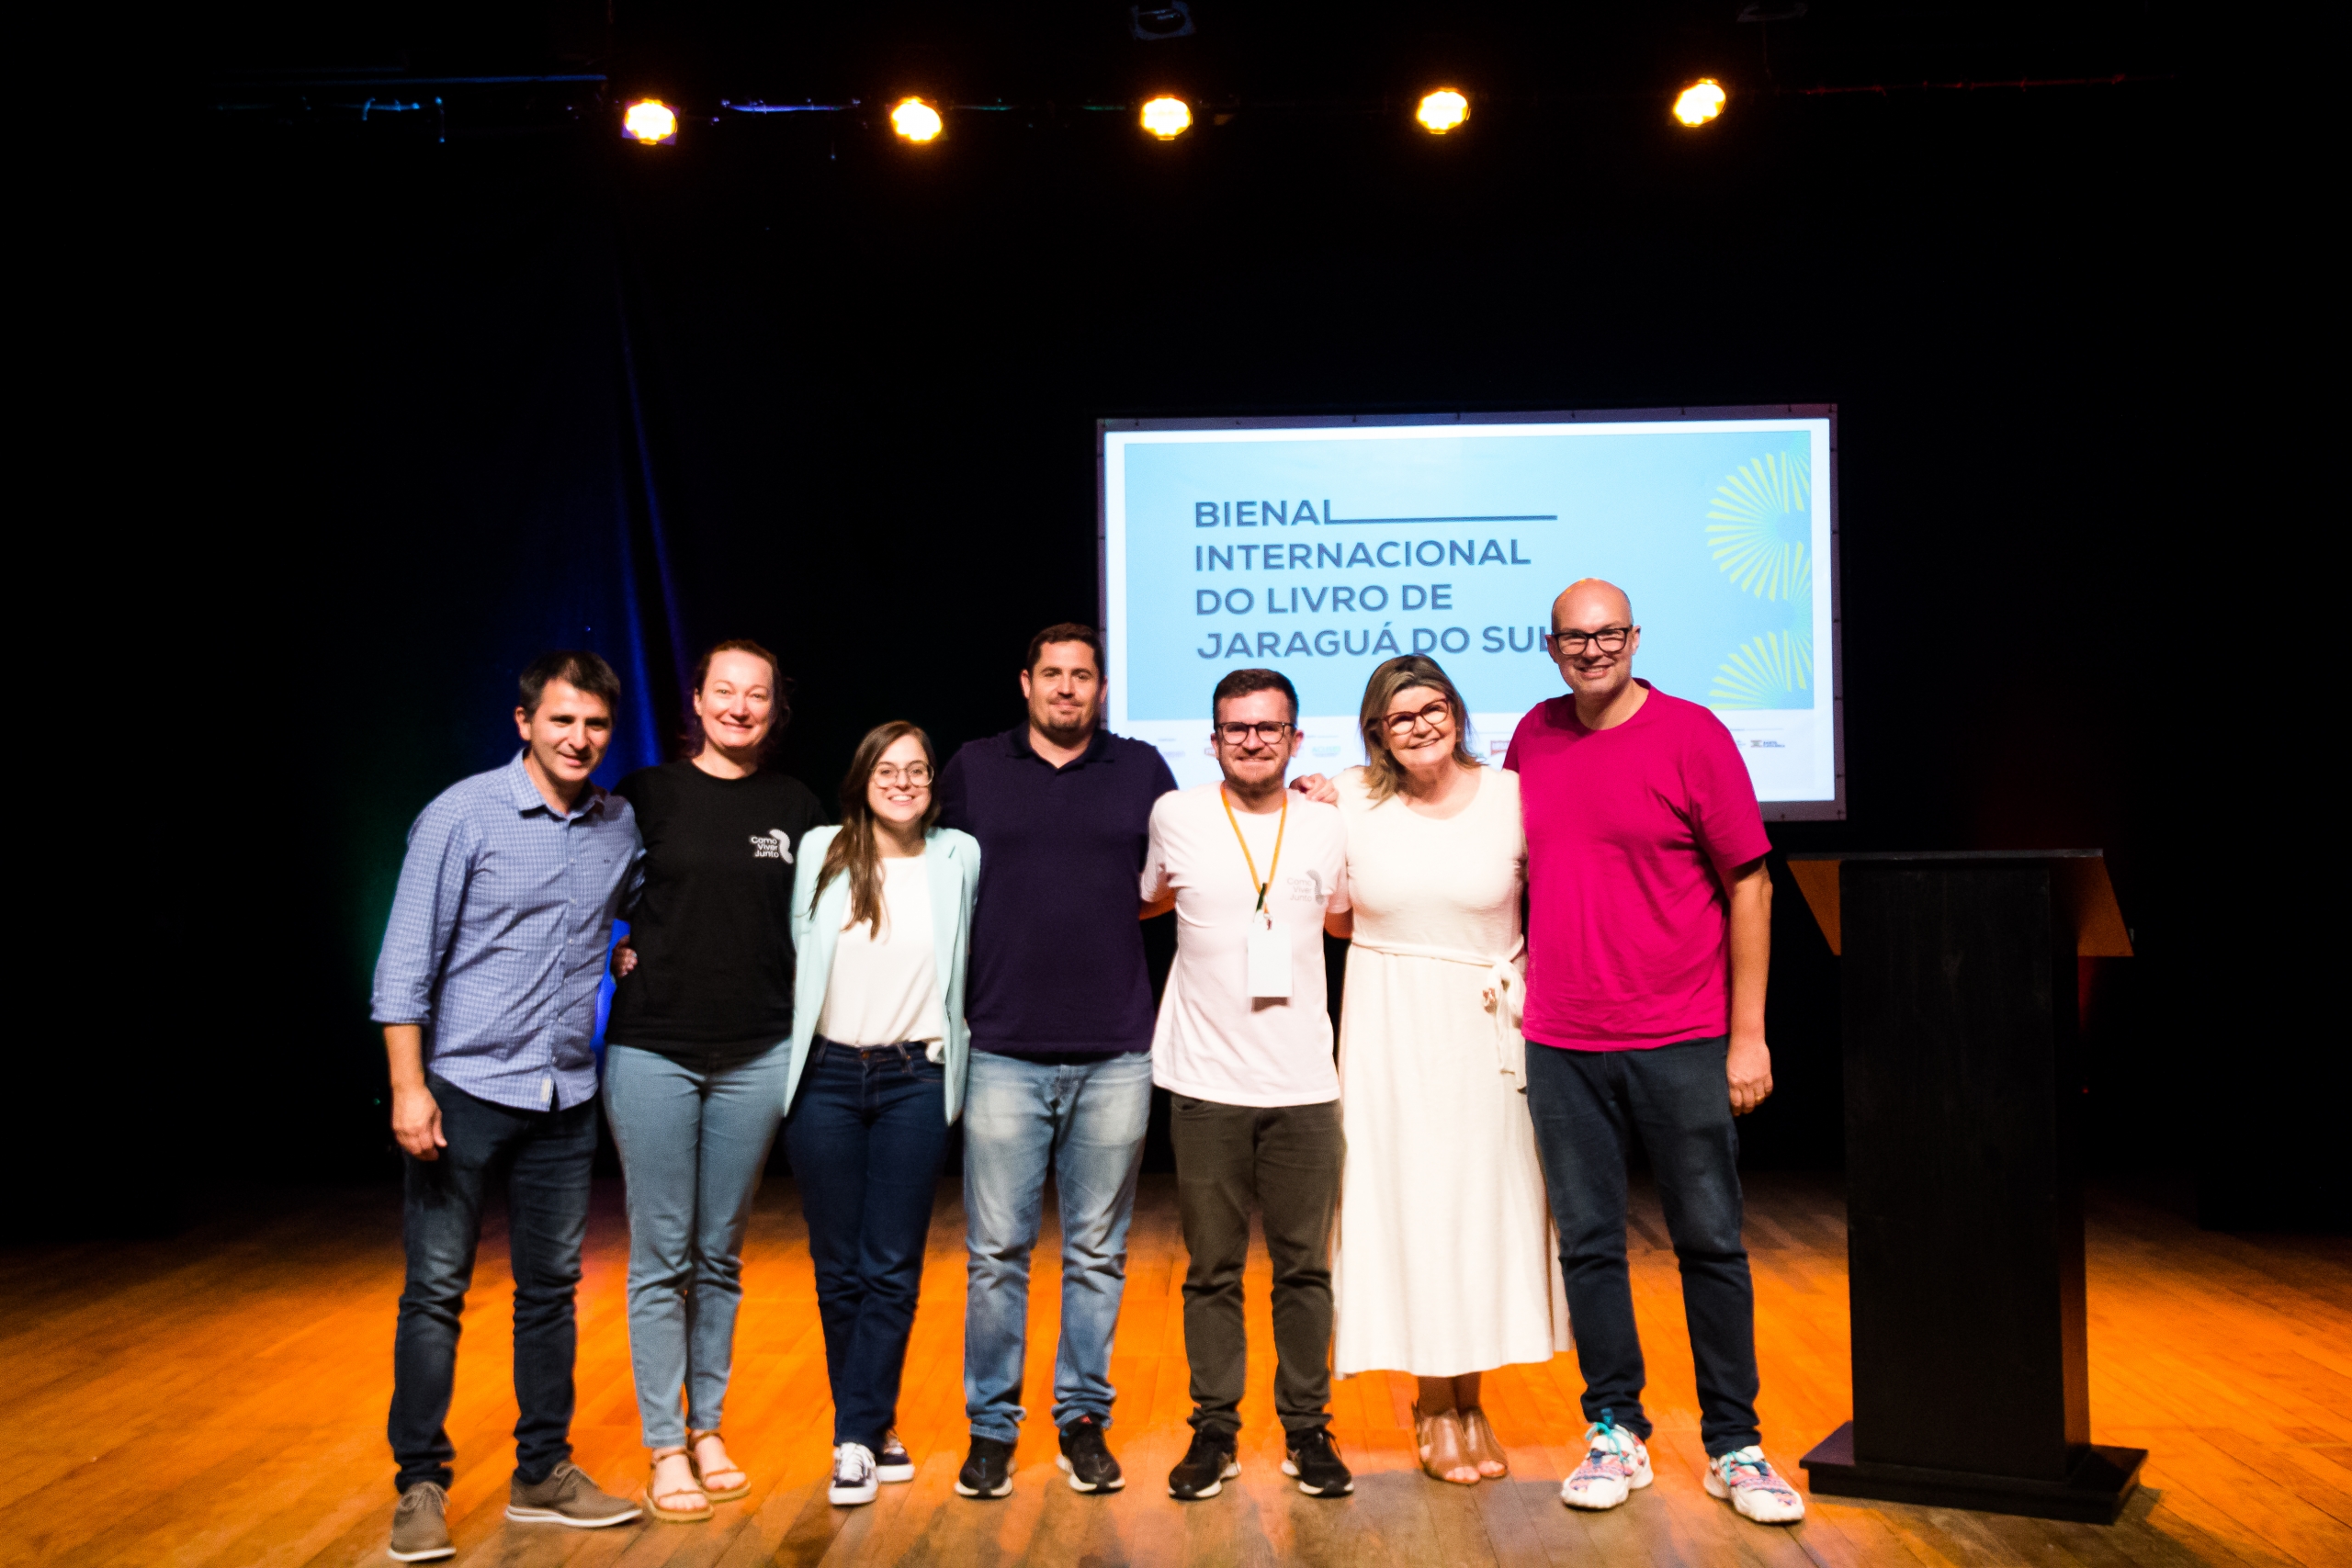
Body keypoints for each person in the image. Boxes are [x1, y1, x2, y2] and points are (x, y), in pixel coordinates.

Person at [1506, 579, 1807, 1526]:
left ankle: (1734, 1445)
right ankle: (1614, 1431)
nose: (1591, 651)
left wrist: (1746, 1033)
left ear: (1633, 637)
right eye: (1573, 638)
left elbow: (1749, 885)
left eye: (1607, 635)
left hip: (1680, 1036)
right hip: (1560, 1039)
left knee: (1710, 1244)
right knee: (1589, 1246)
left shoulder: (1692, 735)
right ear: (1550, 647)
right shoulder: (1532, 736)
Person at [369, 651, 647, 1563]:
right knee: (436, 1293)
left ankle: (542, 1473)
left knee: (551, 1294)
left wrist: (629, 954)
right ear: (524, 722)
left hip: (564, 1093)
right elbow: (405, 960)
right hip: (464, 1088)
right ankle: (419, 1484)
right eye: (562, 720)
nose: (580, 739)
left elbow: (644, 912)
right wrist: (408, 1087)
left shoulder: (618, 826)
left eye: (596, 724)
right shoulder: (464, 814)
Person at [937, 624, 1178, 1500]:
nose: (1068, 689)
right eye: (1053, 674)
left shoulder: (1144, 769)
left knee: (1096, 1252)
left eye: (1083, 676)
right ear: (1025, 682)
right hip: (1001, 1044)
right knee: (996, 1251)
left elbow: (1166, 885)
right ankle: (992, 1429)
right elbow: (926, 869)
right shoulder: (972, 766)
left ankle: (1083, 1419)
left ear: (1101, 688)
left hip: (1116, 1046)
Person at [1318, 655, 1568, 1484]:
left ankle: (1472, 1398)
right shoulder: (1351, 798)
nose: (1421, 724)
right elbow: (1340, 921)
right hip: (1391, 1022)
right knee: (1412, 1206)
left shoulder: (1510, 794)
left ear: (1457, 711)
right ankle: (1433, 1402)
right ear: (1377, 732)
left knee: (1484, 1208)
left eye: (1433, 708)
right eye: (1400, 716)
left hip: (1491, 1027)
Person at [600, 640, 826, 1522]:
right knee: (661, 1254)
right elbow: (591, 891)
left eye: (757, 694)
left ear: (774, 707)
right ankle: (665, 1444)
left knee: (719, 1255)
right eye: (724, 691)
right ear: (695, 700)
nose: (740, 706)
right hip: (654, 1047)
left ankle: (711, 1428)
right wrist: (609, 948)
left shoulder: (797, 806)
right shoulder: (647, 795)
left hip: (758, 1054)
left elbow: (821, 921)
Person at [1143, 668, 1355, 1502]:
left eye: (1270, 728)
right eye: (1238, 728)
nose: (1255, 740)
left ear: (1296, 739)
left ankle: (1308, 1429)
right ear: (1214, 738)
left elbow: (1341, 919)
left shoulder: (1327, 825)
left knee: (1306, 1269)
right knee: (1212, 1270)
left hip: (1304, 1082)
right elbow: (1149, 898)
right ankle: (1216, 1430)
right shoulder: (1176, 815)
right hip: (1204, 1081)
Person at [783, 721, 980, 1508]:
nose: (904, 781)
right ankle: (871, 1424)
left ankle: (855, 1441)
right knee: (838, 1269)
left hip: (914, 1077)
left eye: (919, 770)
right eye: (888, 769)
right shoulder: (821, 850)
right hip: (827, 1076)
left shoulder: (958, 854)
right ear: (862, 775)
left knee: (891, 1265)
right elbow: (796, 953)